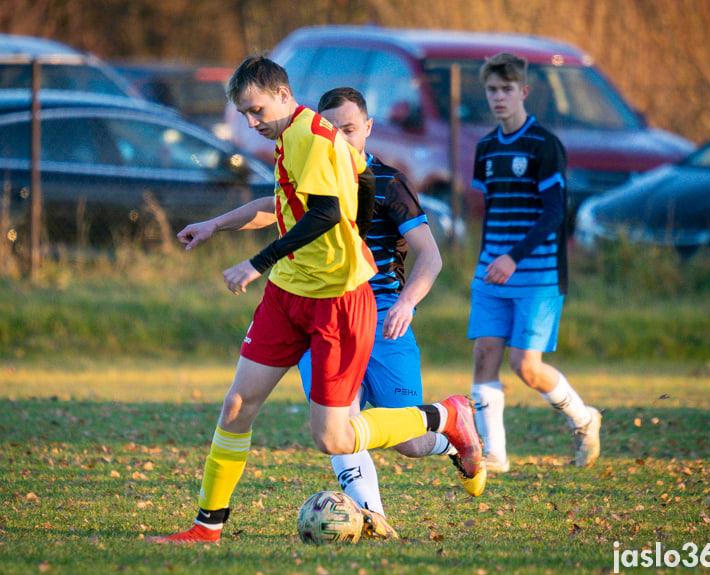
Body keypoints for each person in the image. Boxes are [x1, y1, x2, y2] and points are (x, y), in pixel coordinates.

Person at [148, 56, 484, 545]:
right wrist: (216, 225)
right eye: (244, 114)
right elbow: (281, 206)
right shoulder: (291, 136)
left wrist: (255, 263)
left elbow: (325, 213)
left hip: (337, 303)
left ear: (284, 96)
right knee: (237, 404)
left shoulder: (314, 139)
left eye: (257, 110)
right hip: (287, 295)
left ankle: (448, 416)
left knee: (334, 436)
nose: (251, 123)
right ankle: (207, 527)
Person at [297, 87, 453, 533]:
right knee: (335, 422)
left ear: (367, 128)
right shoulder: (310, 180)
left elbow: (431, 256)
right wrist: (217, 224)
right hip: (325, 317)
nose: (341, 140)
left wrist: (406, 303)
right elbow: (270, 212)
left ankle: (452, 430)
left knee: (410, 443)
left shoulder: (389, 183)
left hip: (383, 315)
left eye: (350, 129)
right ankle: (373, 516)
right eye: (331, 131)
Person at [468, 53, 601, 474]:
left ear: (523, 91)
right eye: (492, 89)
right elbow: (489, 209)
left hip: (537, 273)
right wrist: (490, 258)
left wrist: (513, 256)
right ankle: (494, 454)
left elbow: (554, 212)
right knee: (484, 356)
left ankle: (584, 418)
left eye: (507, 89)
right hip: (492, 271)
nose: (499, 97)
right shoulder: (486, 148)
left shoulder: (544, 145)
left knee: (525, 366)